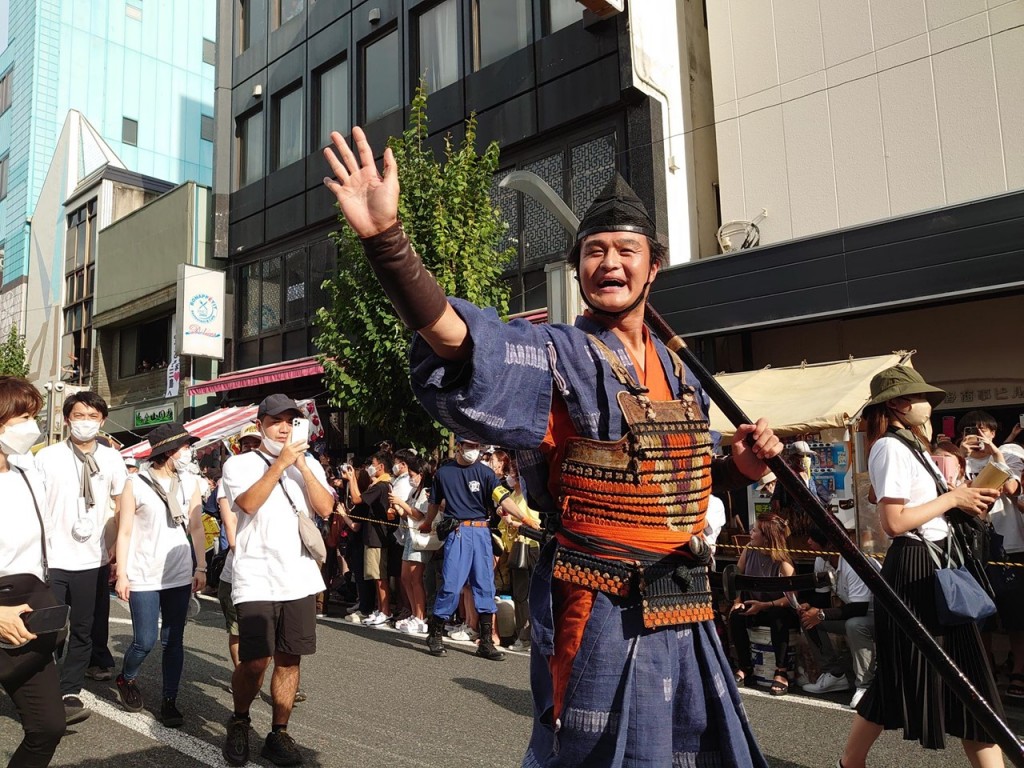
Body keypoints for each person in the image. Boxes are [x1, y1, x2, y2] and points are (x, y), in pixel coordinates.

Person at [324, 126, 781, 767]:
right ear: (577, 268)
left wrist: (739, 466)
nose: (610, 264)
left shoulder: (683, 373)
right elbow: (461, 340)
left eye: (627, 250)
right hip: (598, 606)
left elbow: (684, 484)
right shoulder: (558, 353)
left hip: (684, 600)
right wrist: (388, 244)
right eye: (595, 251)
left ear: (656, 265)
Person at [839, 366, 1003, 768]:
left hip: (931, 566)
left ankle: (850, 762)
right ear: (898, 403)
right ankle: (850, 762)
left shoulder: (910, 448)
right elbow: (893, 522)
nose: (930, 405)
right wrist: (953, 500)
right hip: (917, 568)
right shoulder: (890, 448)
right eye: (923, 398)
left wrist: (963, 498)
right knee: (919, 675)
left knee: (956, 679)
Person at [220, 395, 333, 767]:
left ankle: (278, 731)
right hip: (255, 576)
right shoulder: (240, 463)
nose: (284, 428)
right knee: (255, 660)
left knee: (289, 659)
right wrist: (280, 464)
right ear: (261, 424)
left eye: (291, 421)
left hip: (298, 577)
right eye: (276, 421)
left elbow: (326, 507)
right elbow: (248, 504)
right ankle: (239, 720)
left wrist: (299, 462)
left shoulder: (309, 463)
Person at [35, 391, 128, 724]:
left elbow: (122, 507)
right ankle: (39, 685)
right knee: (49, 629)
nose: (85, 422)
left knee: (85, 629)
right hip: (52, 558)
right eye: (79, 415)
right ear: (66, 419)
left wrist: (117, 551)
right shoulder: (47, 457)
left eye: (92, 416)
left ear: (102, 420)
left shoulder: (113, 459)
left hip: (93, 559)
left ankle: (69, 689)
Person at [112, 423, 206, 726]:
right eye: (185, 447)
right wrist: (122, 575)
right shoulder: (135, 483)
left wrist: (201, 566)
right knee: (145, 640)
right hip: (143, 574)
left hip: (179, 574)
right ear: (168, 452)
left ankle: (169, 699)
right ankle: (127, 678)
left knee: (173, 640)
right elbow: (124, 531)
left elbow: (196, 527)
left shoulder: (190, 482)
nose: (189, 452)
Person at [0, 377, 66, 767]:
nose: (32, 426)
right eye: (23, 416)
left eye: (34, 416)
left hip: (28, 610)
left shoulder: (29, 472)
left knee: (46, 727)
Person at [956, 410, 1024, 698]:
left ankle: (1019, 670)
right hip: (971, 547)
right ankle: (987, 668)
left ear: (994, 432)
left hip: (1010, 544)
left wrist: (995, 452)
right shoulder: (957, 460)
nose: (978, 436)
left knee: (1016, 616)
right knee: (978, 612)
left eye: (983, 430)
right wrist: (959, 456)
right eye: (970, 430)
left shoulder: (1009, 453)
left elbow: (1010, 488)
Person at [420, 437, 506, 661]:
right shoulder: (444, 473)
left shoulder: (486, 473)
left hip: (482, 531)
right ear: (458, 445)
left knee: (485, 584)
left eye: (477, 446)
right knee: (452, 584)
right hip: (459, 531)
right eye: (470, 446)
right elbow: (434, 503)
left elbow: (502, 498)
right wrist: (428, 522)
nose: (474, 450)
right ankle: (435, 633)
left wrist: (524, 518)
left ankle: (486, 641)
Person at [798, 527, 878, 708]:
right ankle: (834, 674)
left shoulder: (852, 563)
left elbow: (860, 607)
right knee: (807, 620)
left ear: (830, 543)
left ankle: (865, 685)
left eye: (813, 537)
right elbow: (822, 596)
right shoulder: (821, 560)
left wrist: (821, 613)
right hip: (856, 613)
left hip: (879, 617)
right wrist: (810, 607)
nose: (808, 542)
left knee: (854, 624)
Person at [728, 514, 800, 695]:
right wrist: (737, 601)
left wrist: (766, 604)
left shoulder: (783, 561)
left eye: (754, 530)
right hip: (754, 605)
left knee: (779, 616)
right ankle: (745, 667)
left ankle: (781, 671)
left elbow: (792, 598)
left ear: (767, 537)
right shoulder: (749, 549)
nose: (750, 533)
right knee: (736, 616)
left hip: (777, 607)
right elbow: (737, 577)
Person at [495, 458, 541, 652]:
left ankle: (530, 637)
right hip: (514, 545)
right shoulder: (513, 494)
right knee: (519, 594)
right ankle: (523, 635)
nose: (510, 477)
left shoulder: (530, 496)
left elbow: (534, 523)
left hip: (530, 546)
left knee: (530, 594)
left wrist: (511, 521)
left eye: (514, 473)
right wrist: (502, 515)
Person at [346, 451, 393, 627]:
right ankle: (380, 609)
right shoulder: (382, 485)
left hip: (377, 537)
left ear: (381, 466)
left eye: (373, 464)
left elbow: (357, 499)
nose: (370, 468)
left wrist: (351, 479)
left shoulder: (381, 485)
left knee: (380, 576)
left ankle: (385, 611)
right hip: (373, 536)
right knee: (375, 575)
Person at [390, 457, 433, 635]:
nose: (411, 478)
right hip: (409, 536)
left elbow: (419, 515)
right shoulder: (415, 492)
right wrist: (398, 506)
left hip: (420, 537)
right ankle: (415, 613)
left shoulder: (426, 492)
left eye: (413, 475)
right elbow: (408, 514)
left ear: (421, 474)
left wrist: (401, 504)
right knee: (406, 577)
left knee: (416, 579)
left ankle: (420, 616)